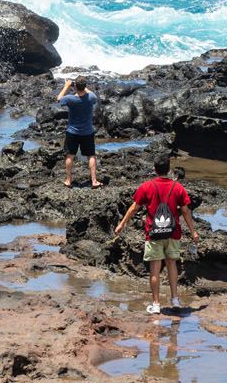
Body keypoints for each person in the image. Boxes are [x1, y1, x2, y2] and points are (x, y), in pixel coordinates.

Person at [114, 154, 199, 314]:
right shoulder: (178, 187)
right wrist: (193, 232)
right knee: (172, 264)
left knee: (155, 269)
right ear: (169, 170)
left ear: (155, 169)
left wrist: (121, 224)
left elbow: (134, 207)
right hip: (173, 233)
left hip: (153, 234)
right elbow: (186, 211)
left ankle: (156, 303)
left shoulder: (147, 187)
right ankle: (175, 299)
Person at [56, 76, 101, 188]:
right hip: (87, 132)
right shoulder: (91, 97)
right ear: (85, 86)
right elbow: (91, 94)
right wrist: (83, 87)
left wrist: (66, 86)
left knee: (70, 155)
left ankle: (68, 180)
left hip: (72, 132)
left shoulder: (70, 99)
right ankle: (94, 181)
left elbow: (59, 99)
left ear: (75, 86)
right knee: (91, 156)